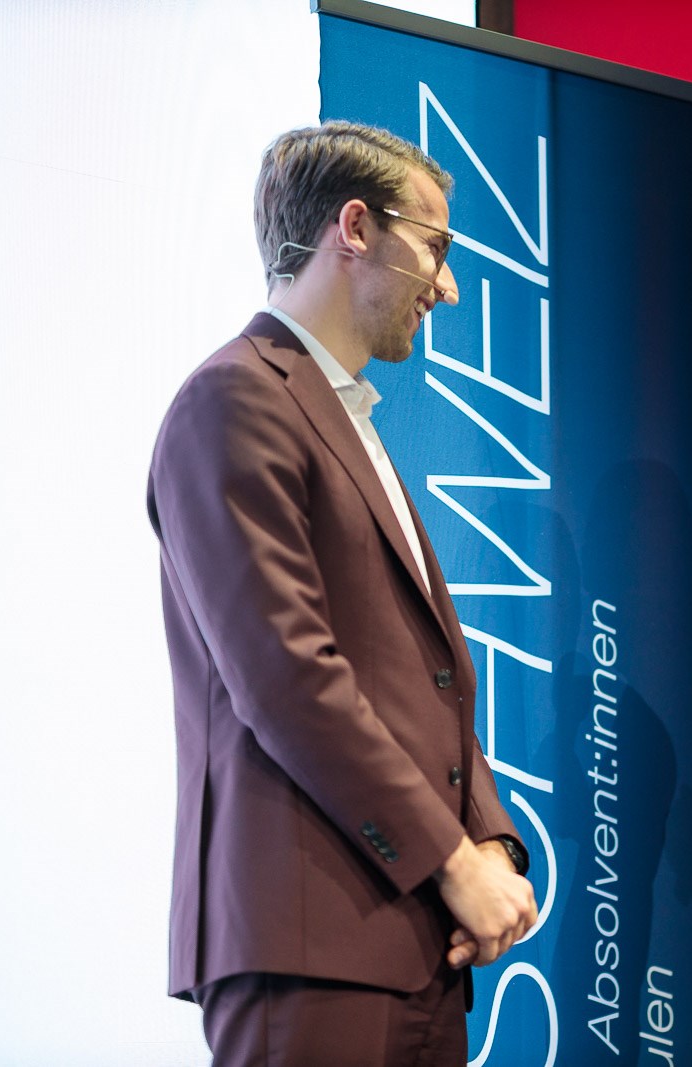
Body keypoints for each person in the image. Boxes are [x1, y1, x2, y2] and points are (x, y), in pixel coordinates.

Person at [147, 122, 537, 1065]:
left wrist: (489, 841)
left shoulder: (344, 417)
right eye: (436, 246)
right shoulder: (236, 397)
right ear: (355, 228)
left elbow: (426, 681)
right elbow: (286, 674)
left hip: (415, 941)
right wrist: (452, 858)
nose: (448, 285)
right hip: (310, 935)